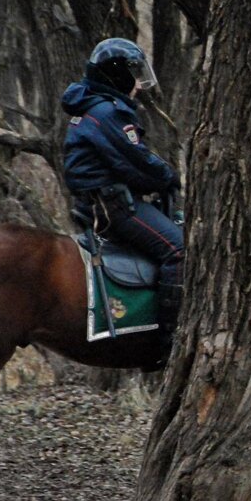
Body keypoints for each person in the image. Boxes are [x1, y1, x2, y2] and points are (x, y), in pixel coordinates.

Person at [61, 37, 184, 359]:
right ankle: (171, 341)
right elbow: (135, 160)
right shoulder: (108, 113)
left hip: (102, 200)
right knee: (179, 249)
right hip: (112, 206)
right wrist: (170, 176)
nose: (139, 85)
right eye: (133, 74)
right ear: (116, 75)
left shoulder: (95, 107)